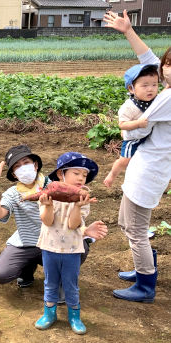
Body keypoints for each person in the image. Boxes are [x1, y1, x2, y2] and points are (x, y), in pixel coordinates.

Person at [104, 10, 171, 303]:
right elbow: (149, 61)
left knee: (136, 227)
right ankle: (145, 266)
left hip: (150, 169)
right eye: (168, 64)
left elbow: (133, 131)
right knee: (125, 221)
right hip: (144, 165)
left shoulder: (165, 99)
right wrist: (128, 31)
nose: (165, 69)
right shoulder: (164, 89)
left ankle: (145, 284)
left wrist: (123, 130)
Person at [0, 145, 107, 288]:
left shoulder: (56, 186)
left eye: (26, 163)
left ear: (35, 165)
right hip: (27, 242)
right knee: (0, 274)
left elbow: (71, 220)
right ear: (14, 174)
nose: (23, 167)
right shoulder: (13, 193)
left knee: (79, 245)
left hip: (55, 240)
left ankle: (62, 275)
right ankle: (27, 268)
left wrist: (84, 230)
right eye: (17, 166)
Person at [34, 152, 98, 335]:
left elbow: (73, 224)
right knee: (50, 282)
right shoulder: (49, 192)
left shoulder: (84, 197)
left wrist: (77, 206)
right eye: (76, 173)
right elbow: (47, 221)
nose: (81, 178)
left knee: (71, 284)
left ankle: (74, 316)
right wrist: (47, 205)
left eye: (84, 175)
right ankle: (49, 313)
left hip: (72, 249)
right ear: (62, 174)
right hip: (49, 247)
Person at [103, 64, 159, 188]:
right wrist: (138, 123)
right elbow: (122, 125)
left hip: (148, 135)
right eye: (145, 85)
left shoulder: (157, 101)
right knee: (125, 160)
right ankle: (112, 175)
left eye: (154, 84)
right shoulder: (129, 107)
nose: (150, 89)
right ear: (131, 89)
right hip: (133, 139)